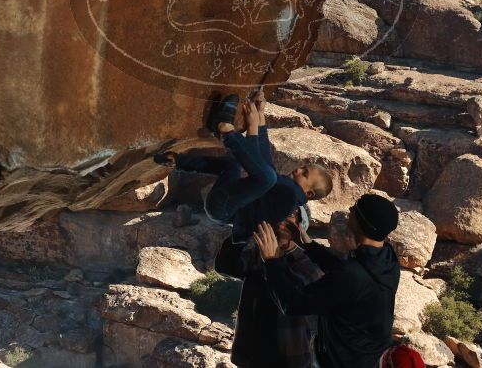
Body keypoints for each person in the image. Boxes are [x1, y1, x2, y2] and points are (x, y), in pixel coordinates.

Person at [154, 90, 334, 242]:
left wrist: (253, 127)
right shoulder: (287, 192)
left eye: (305, 173)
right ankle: (177, 161)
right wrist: (260, 118)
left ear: (308, 193)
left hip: (223, 208)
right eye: (303, 167)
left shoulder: (289, 197)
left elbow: (262, 172)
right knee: (233, 165)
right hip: (223, 202)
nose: (298, 169)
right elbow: (263, 162)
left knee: (268, 177)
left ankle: (226, 131)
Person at [253, 194, 401, 368]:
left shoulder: (352, 275)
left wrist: (272, 261)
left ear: (361, 223)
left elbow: (292, 303)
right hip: (367, 357)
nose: (351, 210)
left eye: (355, 208)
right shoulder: (388, 260)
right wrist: (309, 245)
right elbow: (346, 271)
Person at [215, 207, 323, 367]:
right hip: (251, 355)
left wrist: (273, 260)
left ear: (301, 224)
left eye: (292, 214)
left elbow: (293, 292)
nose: (284, 217)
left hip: (288, 358)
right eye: (281, 211)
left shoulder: (309, 263)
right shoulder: (255, 255)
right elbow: (225, 266)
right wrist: (241, 233)